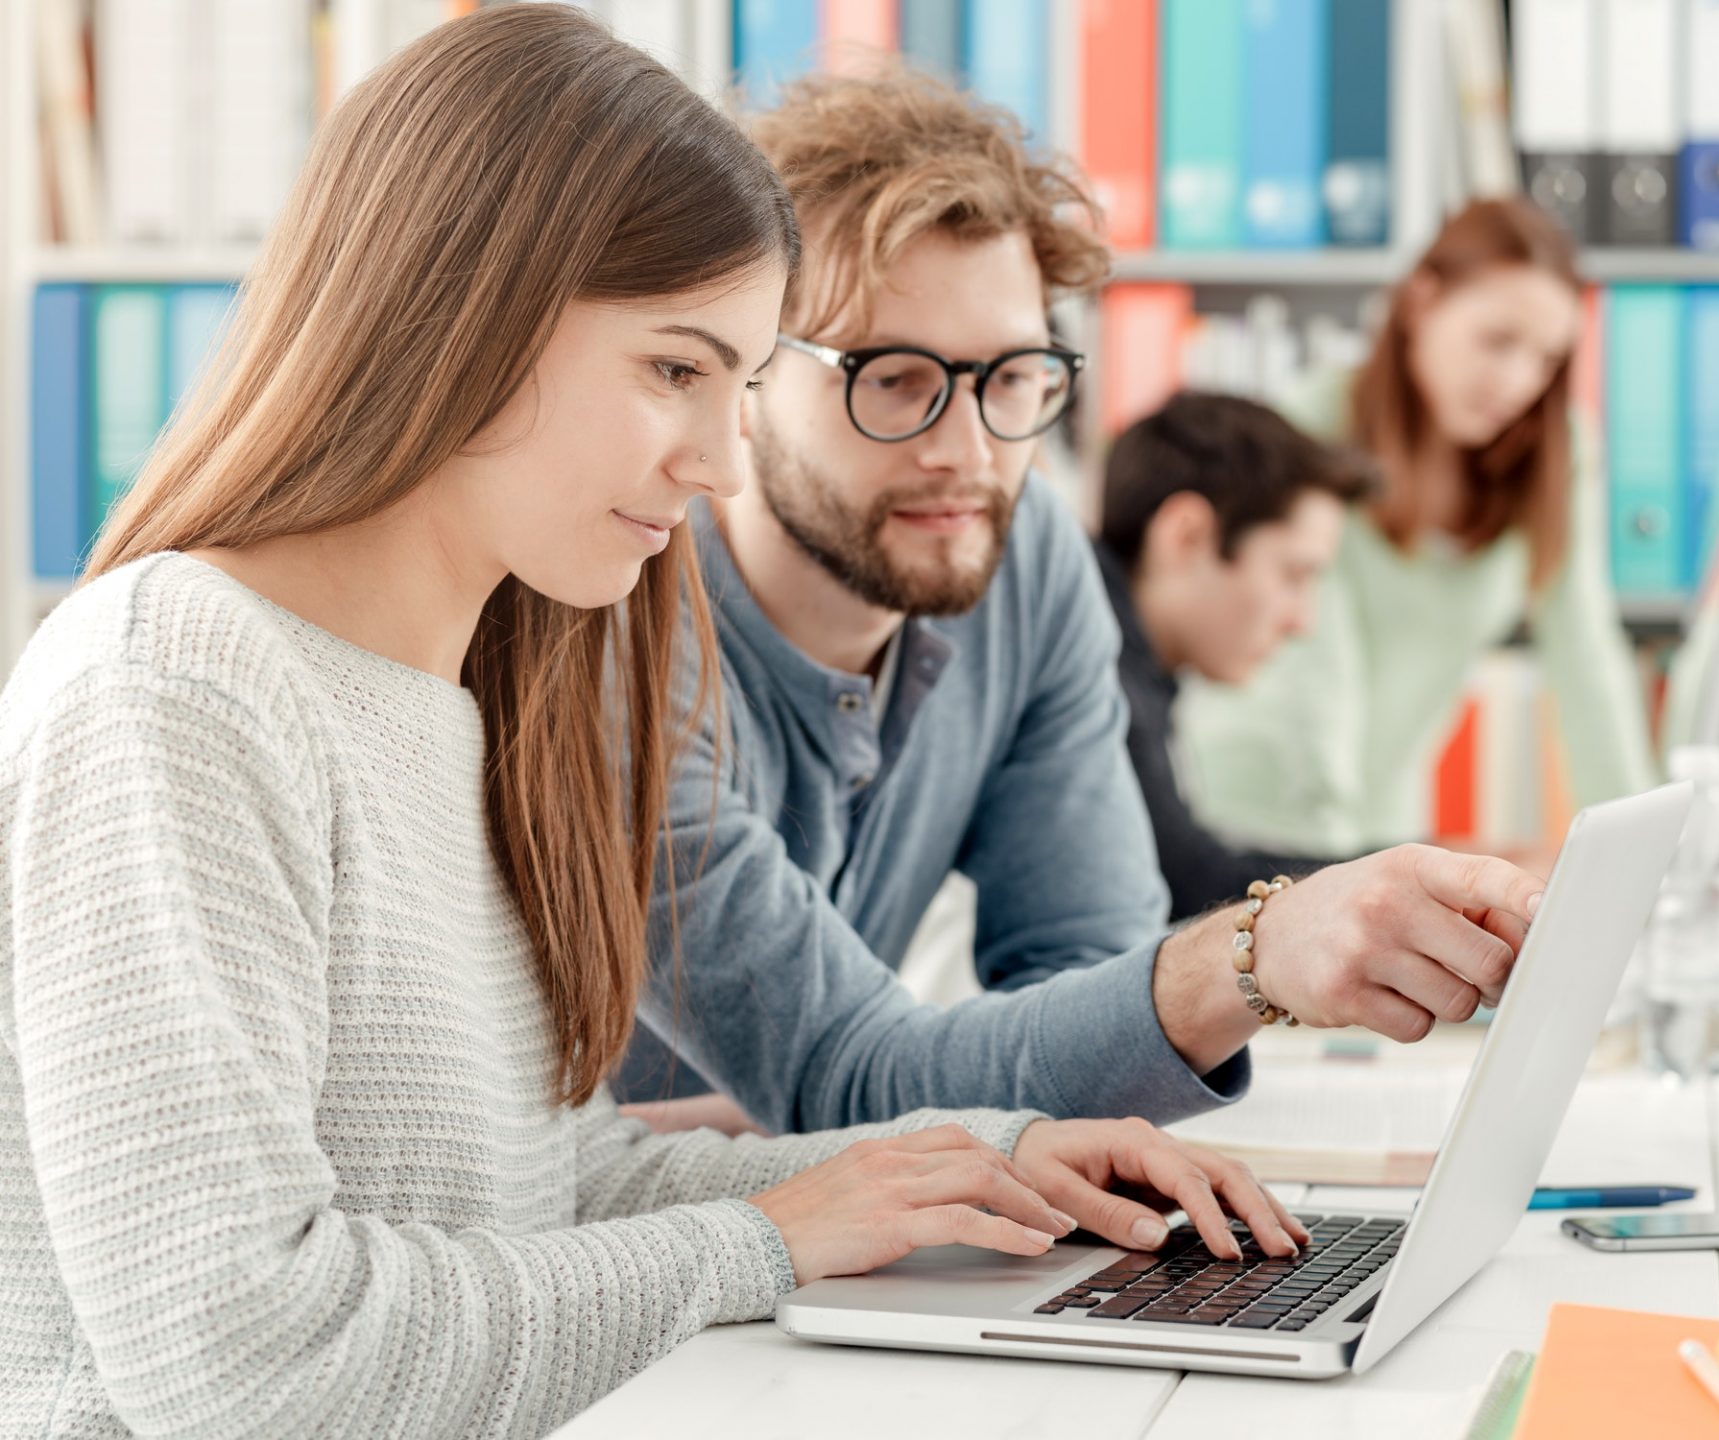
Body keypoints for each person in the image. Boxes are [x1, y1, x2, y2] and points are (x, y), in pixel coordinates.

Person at [0, 14, 1310, 1436]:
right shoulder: (179, 682)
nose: (720, 459)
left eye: (739, 386)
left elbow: (560, 1185)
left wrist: (990, 1160)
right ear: (463, 317)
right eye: (676, 372)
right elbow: (243, 1365)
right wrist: (772, 1240)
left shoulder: (472, 697)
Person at [619, 67, 1546, 1138]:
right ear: (748, 375)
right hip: (632, 1271)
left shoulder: (1021, 552)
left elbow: (1087, 978)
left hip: (850, 1236)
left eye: (1010, 378)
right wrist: (1257, 954)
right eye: (892, 378)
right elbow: (846, 1074)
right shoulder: (623, 618)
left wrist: (1070, 1118)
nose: (965, 455)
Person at [1178, 198, 1657, 862]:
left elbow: (1587, 653)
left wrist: (1642, 853)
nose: (1517, 381)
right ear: (1421, 303)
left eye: (1545, 359)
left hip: (1380, 825)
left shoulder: (1558, 456)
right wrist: (1344, 869)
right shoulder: (1314, 423)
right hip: (1261, 813)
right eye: (1498, 341)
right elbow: (1314, 672)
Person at [1093, 391, 1376, 919]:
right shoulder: (1088, 668)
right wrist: (1420, 873)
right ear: (1188, 534)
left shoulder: (1129, 659)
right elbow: (1181, 877)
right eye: (1293, 574)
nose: (1302, 621)